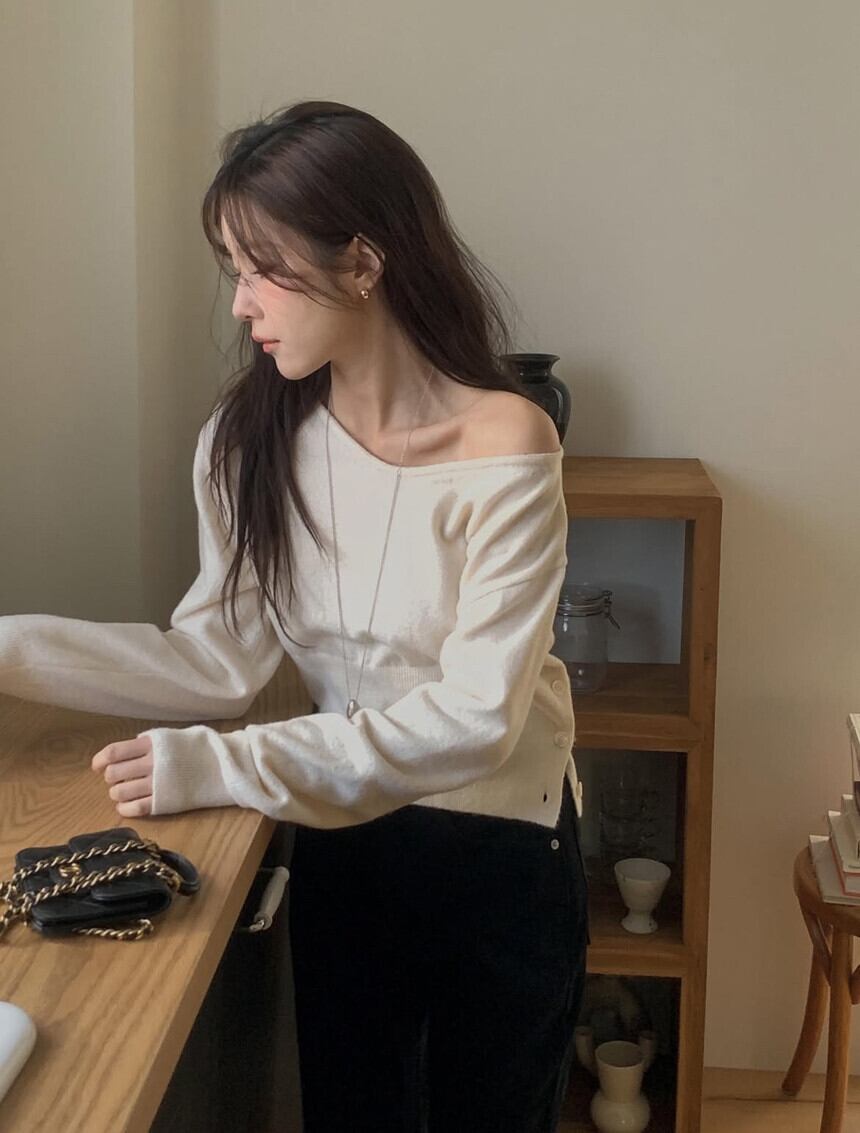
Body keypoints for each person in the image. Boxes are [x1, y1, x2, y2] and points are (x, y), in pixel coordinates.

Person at [0, 100, 589, 1132]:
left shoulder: (505, 440)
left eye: (261, 268)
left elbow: (476, 720)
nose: (241, 304)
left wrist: (223, 763)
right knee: (352, 1110)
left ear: (362, 262)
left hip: (503, 845)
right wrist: (10, 647)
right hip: (341, 829)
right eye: (232, 269)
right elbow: (216, 661)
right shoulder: (246, 441)